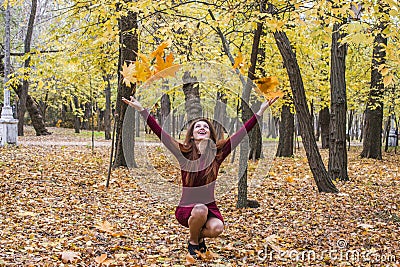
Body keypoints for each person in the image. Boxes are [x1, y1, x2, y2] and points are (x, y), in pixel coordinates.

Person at [122, 96, 278, 257]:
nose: (202, 127)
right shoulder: (183, 153)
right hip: (187, 208)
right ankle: (193, 241)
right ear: (191, 135)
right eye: (198, 126)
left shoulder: (218, 154)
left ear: (210, 134)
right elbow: (160, 133)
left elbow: (242, 133)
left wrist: (260, 111)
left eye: (206, 126)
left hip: (209, 207)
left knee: (217, 228)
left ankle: (197, 235)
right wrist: (142, 110)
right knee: (200, 209)